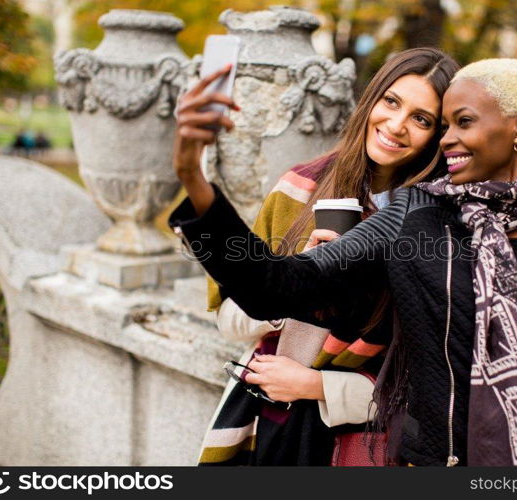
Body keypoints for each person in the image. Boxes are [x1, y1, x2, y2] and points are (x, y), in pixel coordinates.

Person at [169, 58, 517, 466]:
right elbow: (277, 286)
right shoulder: (414, 213)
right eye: (446, 125)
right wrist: (193, 176)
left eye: (459, 122)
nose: (444, 140)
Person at [174, 47, 459, 465]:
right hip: (262, 417)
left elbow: (435, 385)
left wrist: (317, 385)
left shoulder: (431, 225)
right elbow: (228, 315)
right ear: (372, 99)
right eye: (391, 102)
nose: (396, 126)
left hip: (356, 441)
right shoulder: (299, 188)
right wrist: (298, 285)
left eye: (421, 119)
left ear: (438, 134)